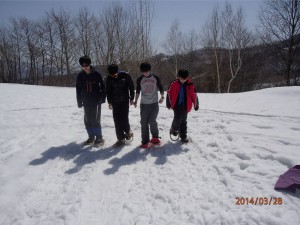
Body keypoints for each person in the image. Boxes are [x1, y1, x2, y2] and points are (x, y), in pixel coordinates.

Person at [76, 55, 106, 146]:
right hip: (86, 101)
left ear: (89, 64)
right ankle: (91, 137)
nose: (85, 67)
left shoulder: (96, 74)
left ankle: (99, 138)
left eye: (86, 65)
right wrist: (79, 101)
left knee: (95, 120)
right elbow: (78, 89)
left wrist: (103, 98)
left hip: (96, 101)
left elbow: (103, 87)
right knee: (87, 120)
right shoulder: (80, 75)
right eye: (83, 66)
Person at [133, 62, 164, 148]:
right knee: (144, 123)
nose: (145, 73)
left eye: (147, 71)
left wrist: (162, 97)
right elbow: (138, 91)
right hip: (144, 104)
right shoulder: (140, 79)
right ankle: (145, 141)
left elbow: (161, 88)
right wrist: (135, 100)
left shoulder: (155, 78)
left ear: (150, 70)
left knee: (152, 121)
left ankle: (155, 138)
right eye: (143, 72)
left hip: (154, 104)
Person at [166, 69, 199, 143]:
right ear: (178, 77)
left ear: (187, 77)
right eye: (181, 78)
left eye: (185, 79)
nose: (183, 80)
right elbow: (169, 93)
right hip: (176, 104)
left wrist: (196, 105)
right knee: (178, 117)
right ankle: (174, 128)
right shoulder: (173, 83)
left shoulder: (190, 85)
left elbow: (194, 95)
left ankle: (183, 136)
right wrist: (168, 103)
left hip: (186, 105)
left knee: (184, 120)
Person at [106, 64, 135, 146]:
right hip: (115, 102)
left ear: (118, 71)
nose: (113, 76)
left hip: (125, 101)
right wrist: (109, 102)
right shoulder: (109, 78)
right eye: (111, 75)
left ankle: (128, 132)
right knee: (117, 120)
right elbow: (108, 90)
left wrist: (132, 98)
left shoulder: (125, 75)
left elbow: (131, 87)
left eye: (114, 74)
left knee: (124, 118)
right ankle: (120, 138)